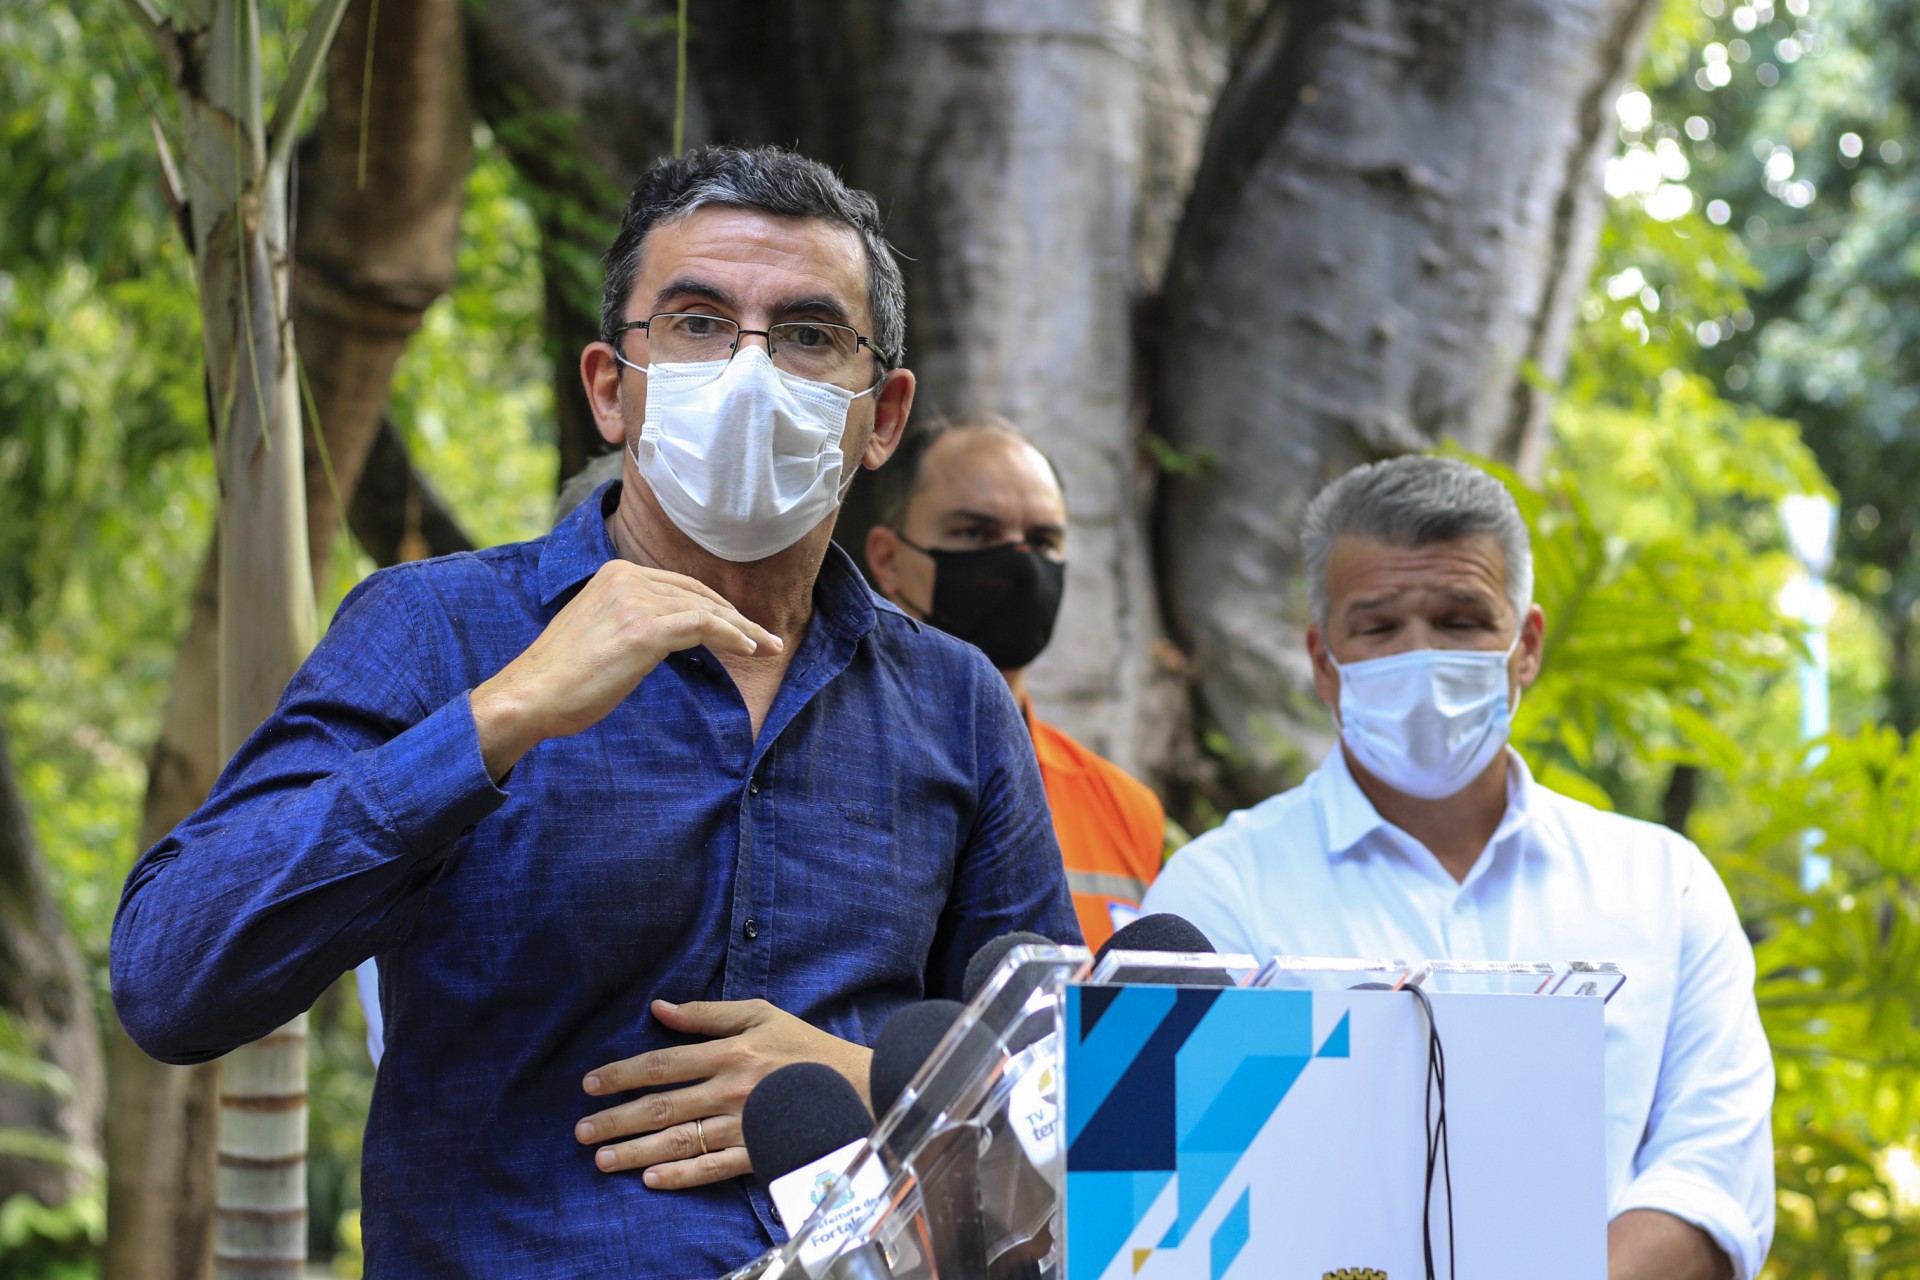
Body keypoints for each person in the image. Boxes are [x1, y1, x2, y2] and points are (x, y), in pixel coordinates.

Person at [111, 144, 1078, 1278]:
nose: (753, 369)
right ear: (612, 389)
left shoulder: (956, 701)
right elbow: (171, 979)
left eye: (810, 334)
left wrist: (865, 1080)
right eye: (701, 323)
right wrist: (503, 713)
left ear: (881, 416)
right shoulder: (441, 631)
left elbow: (1073, 1102)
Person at [1142, 456, 1773, 1280]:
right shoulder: (1217, 896)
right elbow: (1166, 1200)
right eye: (1377, 626)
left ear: (1527, 645)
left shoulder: (1665, 890)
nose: (1423, 656)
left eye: (1461, 618)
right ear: (1323, 661)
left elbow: (1711, 1183)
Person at [863, 414, 1165, 949]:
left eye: (1043, 540)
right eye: (975, 533)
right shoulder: (830, 767)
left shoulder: (1124, 808)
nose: (1020, 563)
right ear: (889, 559)